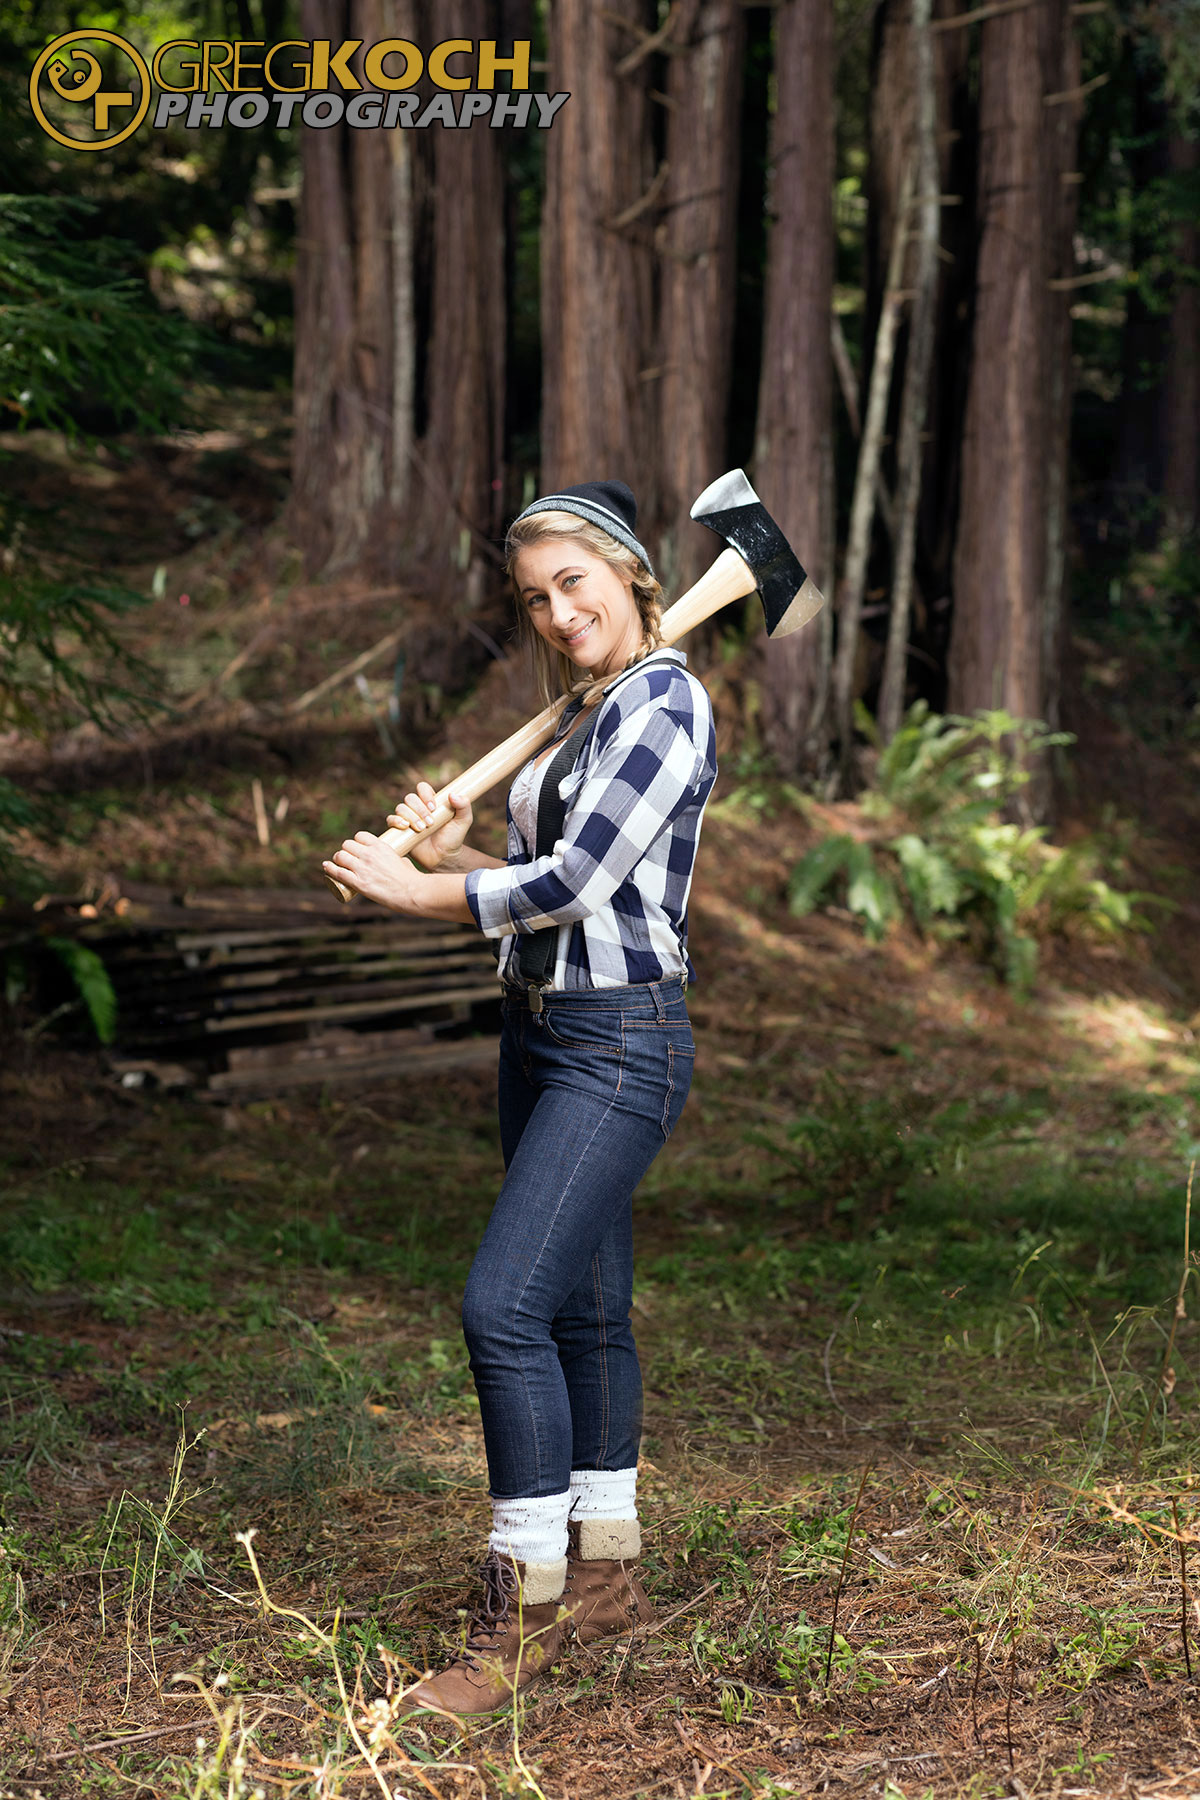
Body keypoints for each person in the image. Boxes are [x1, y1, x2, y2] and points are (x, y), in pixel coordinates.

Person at [325, 481, 717, 1715]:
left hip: (621, 1042)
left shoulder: (667, 702)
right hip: (541, 1032)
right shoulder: (591, 710)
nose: (557, 612)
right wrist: (448, 854)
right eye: (536, 597)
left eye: (574, 583)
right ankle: (606, 1574)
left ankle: (526, 1608)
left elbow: (580, 883)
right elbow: (539, 876)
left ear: (632, 576)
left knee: (502, 1309)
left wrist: (417, 894)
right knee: (587, 1313)